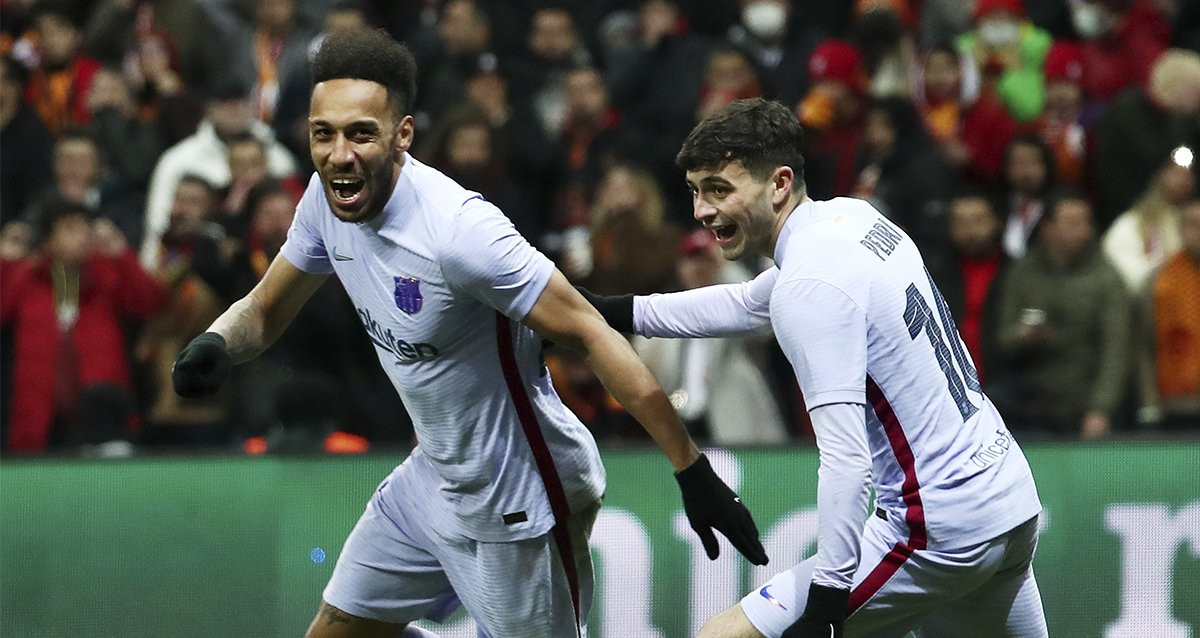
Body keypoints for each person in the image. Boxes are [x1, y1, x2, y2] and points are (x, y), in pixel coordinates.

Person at [169, 29, 766, 638]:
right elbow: (265, 310)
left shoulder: (460, 233)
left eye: (361, 134)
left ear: (402, 135)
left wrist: (690, 468)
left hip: (523, 495)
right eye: (324, 133)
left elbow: (590, 332)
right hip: (434, 476)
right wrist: (218, 341)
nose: (339, 154)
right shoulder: (325, 202)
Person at [581, 98, 1046, 637]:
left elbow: (847, 460)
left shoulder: (811, 285)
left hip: (937, 529)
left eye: (719, 189)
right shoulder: (852, 218)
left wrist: (829, 594)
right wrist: (608, 310)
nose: (702, 211)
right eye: (695, 191)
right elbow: (746, 303)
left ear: (778, 184)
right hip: (1008, 498)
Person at [994, 189, 1131, 439]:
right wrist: (1023, 336)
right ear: (1048, 229)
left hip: (1081, 403)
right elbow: (1003, 338)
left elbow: (1116, 350)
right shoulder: (1022, 272)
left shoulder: (1106, 278)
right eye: (1072, 224)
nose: (1083, 232)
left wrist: (1100, 409)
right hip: (1030, 402)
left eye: (1086, 223)